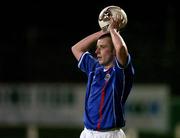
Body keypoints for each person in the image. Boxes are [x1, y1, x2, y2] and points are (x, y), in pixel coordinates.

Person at [71, 15, 135, 138]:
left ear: (113, 52)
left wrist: (113, 31)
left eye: (102, 47)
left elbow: (121, 49)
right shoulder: (94, 68)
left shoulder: (120, 71)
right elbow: (76, 48)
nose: (96, 52)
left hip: (110, 134)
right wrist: (103, 31)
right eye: (97, 47)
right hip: (87, 133)